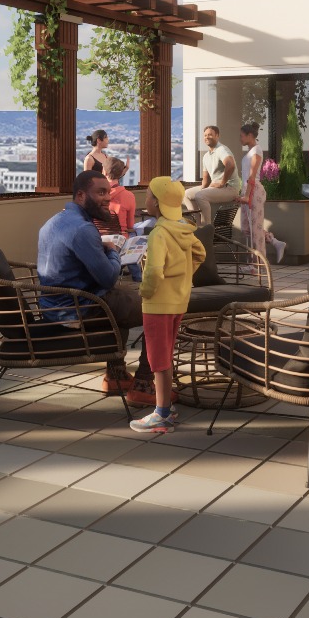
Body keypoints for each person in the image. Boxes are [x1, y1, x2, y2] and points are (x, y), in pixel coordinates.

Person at [38, 169, 155, 404]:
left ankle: (116, 374)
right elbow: (108, 278)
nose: (107, 198)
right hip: (77, 310)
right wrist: (112, 252)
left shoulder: (53, 221)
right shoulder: (83, 228)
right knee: (159, 310)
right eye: (100, 192)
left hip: (53, 306)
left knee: (124, 296)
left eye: (107, 192)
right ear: (80, 195)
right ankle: (144, 382)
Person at [130, 177, 205, 433]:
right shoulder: (184, 227)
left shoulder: (159, 234)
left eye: (149, 196)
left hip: (158, 304)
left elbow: (153, 273)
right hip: (178, 301)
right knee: (167, 353)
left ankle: (161, 414)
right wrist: (184, 274)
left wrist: (144, 291)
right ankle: (166, 408)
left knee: (157, 359)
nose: (146, 200)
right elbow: (200, 254)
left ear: (158, 204)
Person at [237, 122, 286, 270]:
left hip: (253, 190)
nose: (239, 139)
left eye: (241, 136)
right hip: (247, 189)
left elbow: (252, 174)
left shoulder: (256, 150)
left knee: (255, 230)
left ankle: (256, 265)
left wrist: (247, 194)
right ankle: (275, 242)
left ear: (249, 135)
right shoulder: (250, 151)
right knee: (247, 228)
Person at [182, 125, 240, 226]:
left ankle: (206, 228)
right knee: (186, 194)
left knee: (200, 196)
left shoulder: (221, 149)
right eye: (205, 135)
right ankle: (197, 223)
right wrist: (203, 189)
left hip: (229, 188)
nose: (207, 137)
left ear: (217, 136)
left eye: (210, 135)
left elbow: (230, 165)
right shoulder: (206, 156)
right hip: (215, 187)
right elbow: (206, 179)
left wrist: (222, 183)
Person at [105, 158, 137, 234]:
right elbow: (130, 225)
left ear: (105, 172)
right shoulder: (129, 196)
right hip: (121, 239)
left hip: (99, 240)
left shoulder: (94, 194)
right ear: (120, 174)